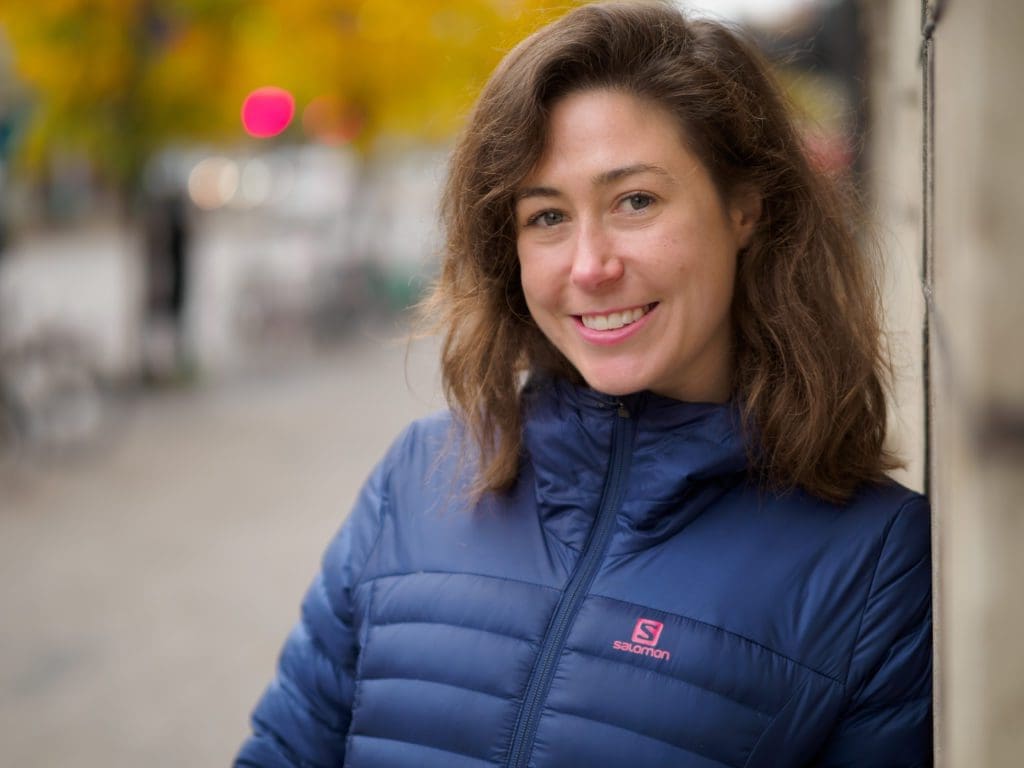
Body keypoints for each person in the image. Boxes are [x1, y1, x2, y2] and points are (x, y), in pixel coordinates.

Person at [235, 3, 932, 766]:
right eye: (546, 217)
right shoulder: (415, 481)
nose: (590, 265)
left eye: (635, 200)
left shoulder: (874, 564)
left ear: (745, 207)